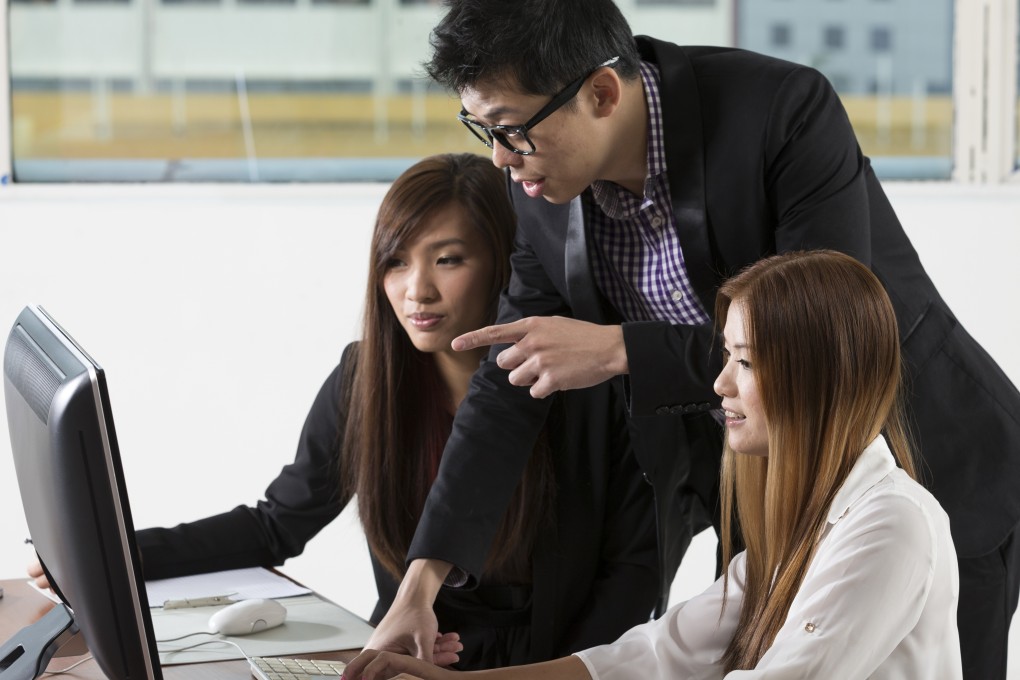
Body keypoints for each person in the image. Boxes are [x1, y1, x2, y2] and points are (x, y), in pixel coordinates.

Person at [354, 3, 1020, 679]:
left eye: (512, 130)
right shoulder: (540, 185)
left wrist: (620, 350)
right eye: (484, 130)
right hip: (773, 481)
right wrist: (420, 586)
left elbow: (824, 336)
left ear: (601, 93)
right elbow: (507, 383)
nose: (499, 158)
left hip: (928, 454)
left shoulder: (779, 112)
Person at [27, 153, 659, 669]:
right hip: (404, 661)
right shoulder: (367, 382)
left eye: (448, 259)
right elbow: (276, 526)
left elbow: (632, 576)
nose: (417, 291)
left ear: (506, 261)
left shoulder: (588, 381)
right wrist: (111, 557)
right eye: (396, 261)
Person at [348, 249, 962, 679]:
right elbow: (656, 655)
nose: (719, 384)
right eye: (726, 357)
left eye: (744, 363)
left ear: (821, 379)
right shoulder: (801, 521)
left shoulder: (890, 524)